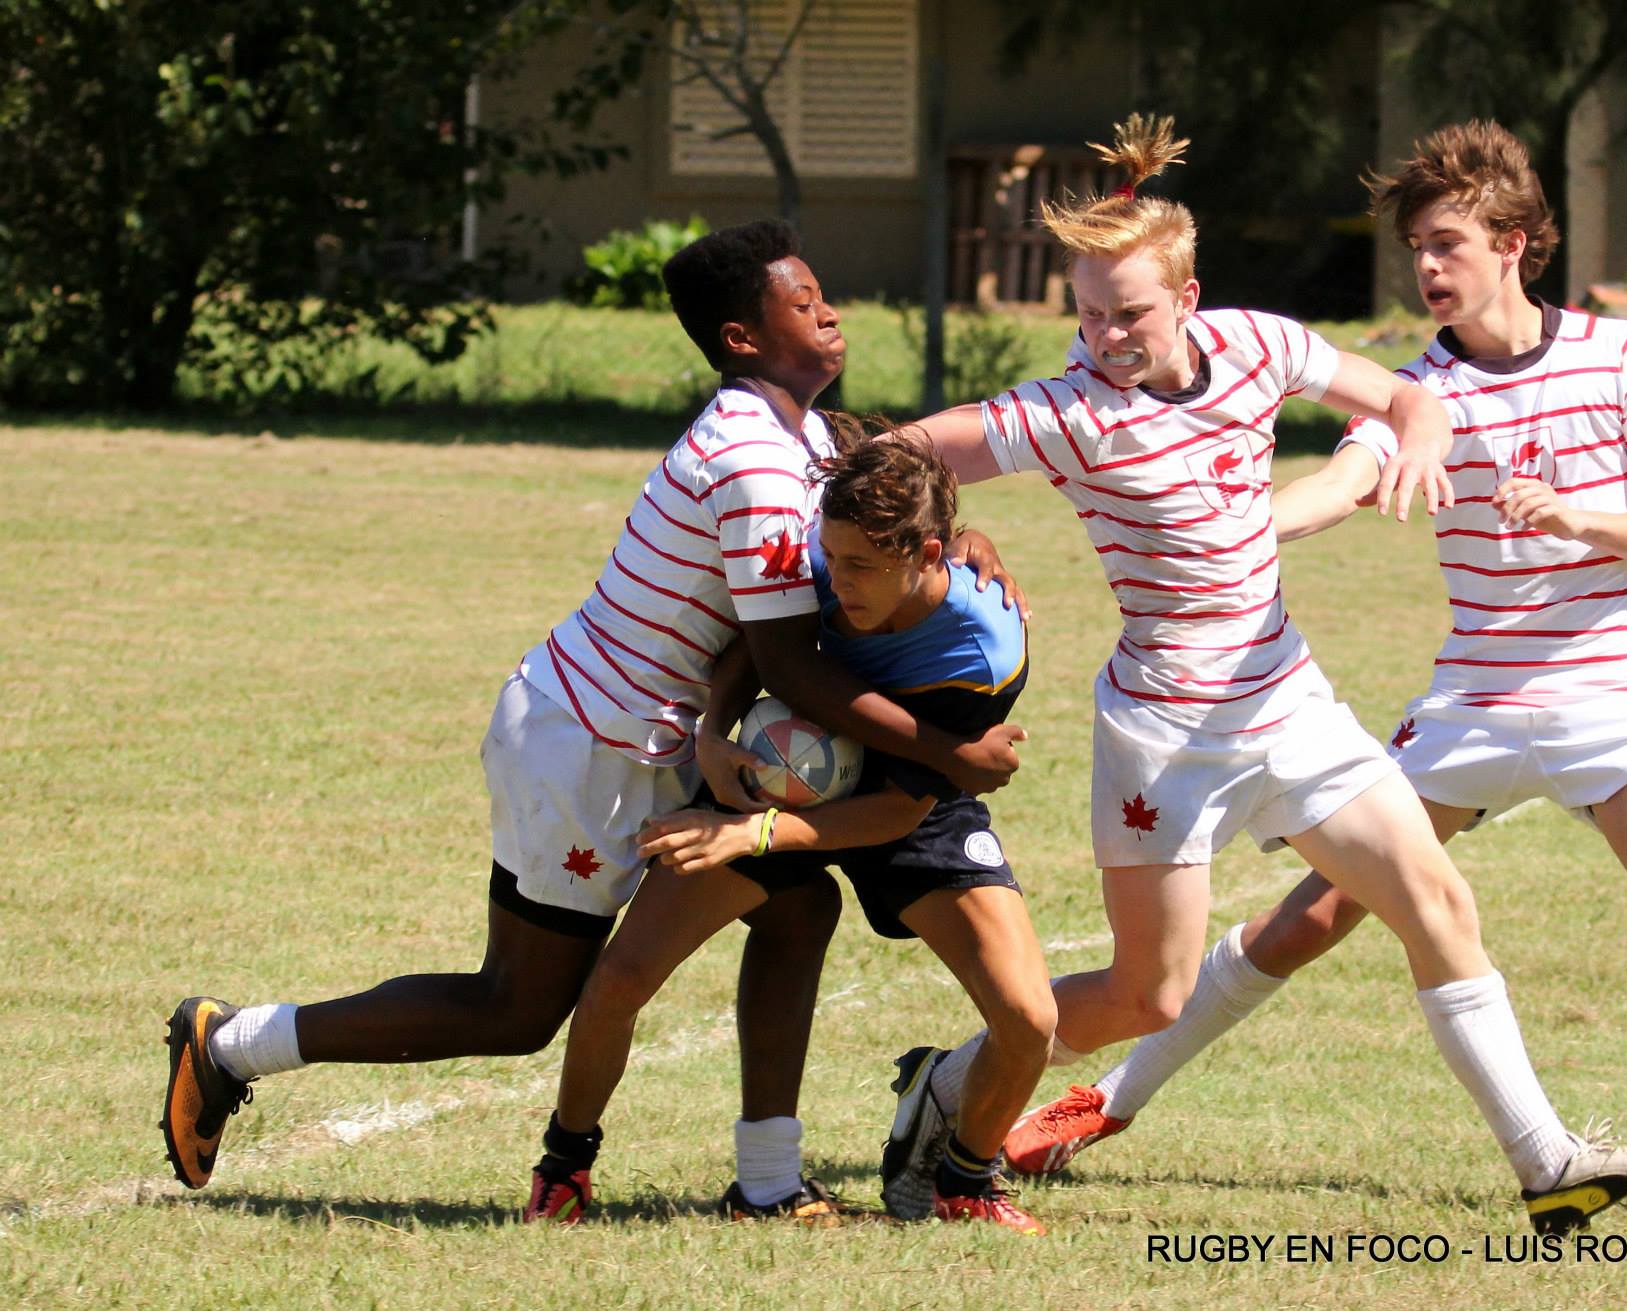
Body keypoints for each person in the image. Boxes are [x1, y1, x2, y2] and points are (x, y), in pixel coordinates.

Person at [1004, 120, 1627, 1238]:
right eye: (1415, 246)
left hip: (1606, 688)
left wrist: (1576, 518)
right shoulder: (1419, 385)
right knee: (1310, 918)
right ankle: (1104, 1101)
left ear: (1513, 242)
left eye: (1446, 242)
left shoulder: (1618, 355)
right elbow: (1345, 477)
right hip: (1468, 702)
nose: (1425, 266)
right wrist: (1246, 527)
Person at [161, 221, 1024, 1222]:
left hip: (661, 738)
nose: (830, 312)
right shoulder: (749, 457)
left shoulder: (800, 436)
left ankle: (766, 1183)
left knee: (798, 912)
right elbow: (789, 660)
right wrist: (947, 752)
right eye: (803, 302)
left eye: (822, 292)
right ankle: (232, 1044)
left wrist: (961, 538)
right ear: (742, 339)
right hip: (590, 743)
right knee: (516, 1008)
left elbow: (880, 519)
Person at [529, 431, 1056, 1232]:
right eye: (831, 557)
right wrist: (714, 732)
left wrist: (754, 836)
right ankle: (563, 1167)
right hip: (781, 766)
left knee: (1029, 1019)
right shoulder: (818, 555)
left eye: (861, 566)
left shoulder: (983, 649)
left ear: (927, 554)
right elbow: (761, 640)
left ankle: (963, 1179)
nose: (837, 580)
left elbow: (897, 811)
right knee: (624, 976)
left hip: (905, 794)